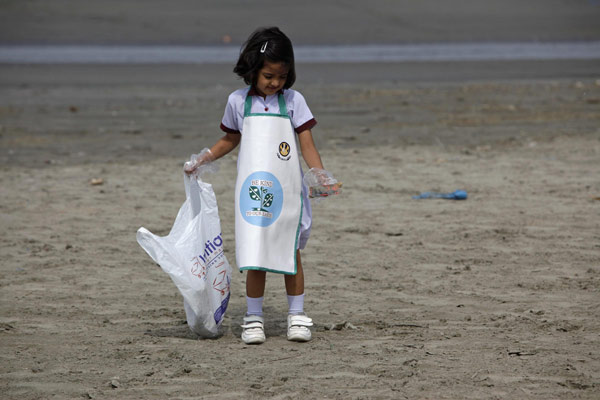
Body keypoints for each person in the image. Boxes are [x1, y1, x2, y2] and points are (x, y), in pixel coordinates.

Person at [185, 27, 335, 345]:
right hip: (253, 193)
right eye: (268, 75)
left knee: (289, 251)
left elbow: (307, 144)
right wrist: (203, 159)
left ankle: (297, 315)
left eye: (282, 76)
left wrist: (319, 173)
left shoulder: (294, 102)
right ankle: (254, 317)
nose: (275, 83)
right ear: (252, 69)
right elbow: (230, 140)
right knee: (256, 250)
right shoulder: (238, 102)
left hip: (288, 190)